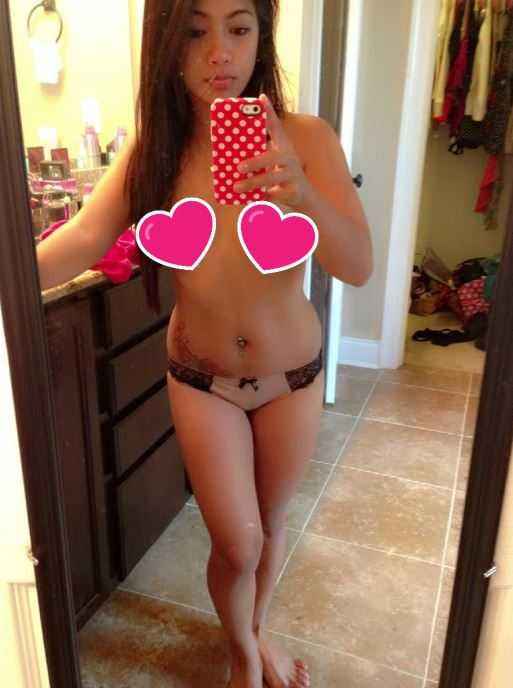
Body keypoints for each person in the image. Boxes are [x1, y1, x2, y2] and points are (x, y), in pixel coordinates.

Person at [37, 1, 373, 686]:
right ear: (166, 44)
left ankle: (254, 634)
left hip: (292, 377)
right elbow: (83, 238)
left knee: (270, 524)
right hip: (202, 378)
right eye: (194, 31)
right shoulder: (156, 151)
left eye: (239, 28)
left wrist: (303, 193)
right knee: (237, 541)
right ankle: (243, 654)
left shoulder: (305, 138)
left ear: (261, 37)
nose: (219, 51)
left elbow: (359, 265)